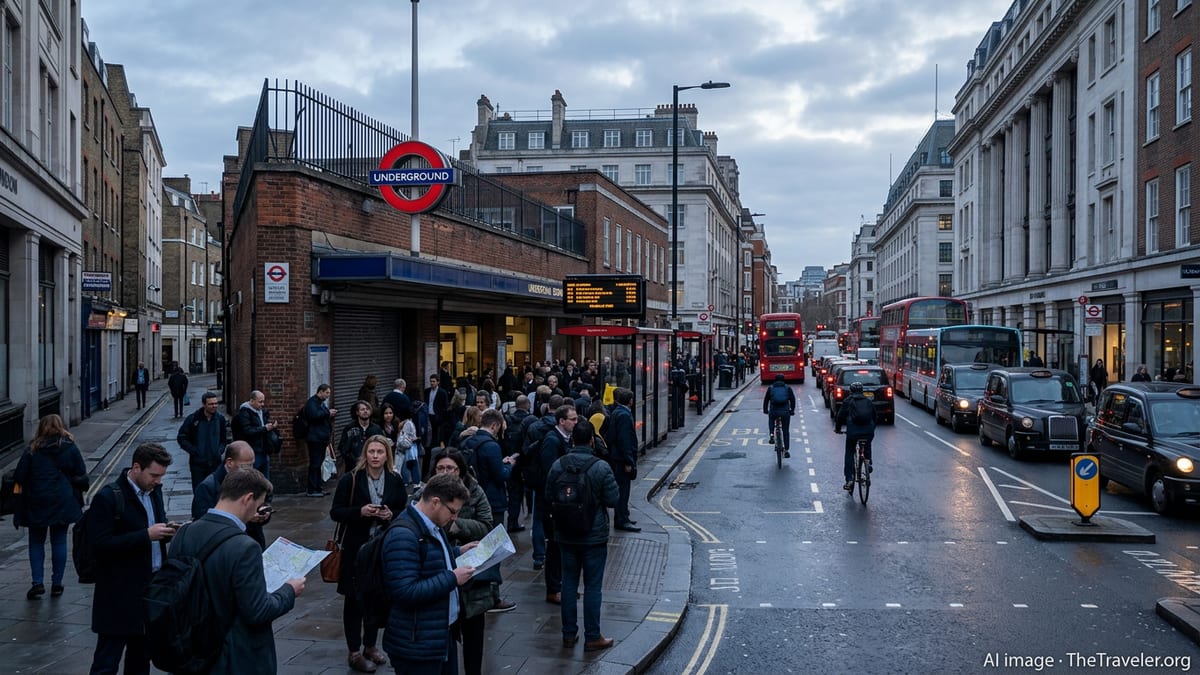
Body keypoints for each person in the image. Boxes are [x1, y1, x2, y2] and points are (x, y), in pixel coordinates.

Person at [168, 468, 303, 674]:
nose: (257, 512)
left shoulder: (184, 533)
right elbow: (258, 611)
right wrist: (288, 591)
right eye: (258, 505)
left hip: (190, 650)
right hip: (233, 657)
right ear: (248, 498)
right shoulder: (245, 547)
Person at [87, 442, 174, 675]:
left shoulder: (155, 491)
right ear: (136, 467)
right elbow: (100, 546)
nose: (158, 481)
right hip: (118, 594)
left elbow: (155, 527)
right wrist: (146, 535)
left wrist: (167, 531)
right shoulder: (108, 498)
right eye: (154, 475)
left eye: (161, 476)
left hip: (149, 590)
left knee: (140, 661)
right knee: (107, 661)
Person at [381, 473, 476, 674]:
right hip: (416, 646)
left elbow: (428, 560)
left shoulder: (431, 524)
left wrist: (457, 552)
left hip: (439, 636)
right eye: (453, 511)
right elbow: (405, 591)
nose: (455, 517)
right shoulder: (403, 536)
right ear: (435, 502)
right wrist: (452, 578)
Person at [330, 435, 407, 673]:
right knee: (354, 599)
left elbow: (402, 507)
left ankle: (370, 645)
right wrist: (360, 512)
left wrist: (390, 515)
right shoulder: (350, 479)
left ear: (387, 455)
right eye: (371, 452)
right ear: (365, 454)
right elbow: (336, 512)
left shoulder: (395, 479)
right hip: (355, 548)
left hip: (382, 547)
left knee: (375, 596)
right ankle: (354, 651)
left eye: (380, 452)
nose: (375, 456)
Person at [546, 419, 619, 652]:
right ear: (591, 440)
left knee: (568, 583)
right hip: (593, 536)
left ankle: (568, 635)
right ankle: (592, 636)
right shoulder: (601, 467)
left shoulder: (558, 465)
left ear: (572, 439)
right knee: (593, 586)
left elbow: (549, 496)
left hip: (565, 535)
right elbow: (613, 499)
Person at [430, 449, 505, 675]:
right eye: (441, 468)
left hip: (472, 576)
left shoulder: (475, 490)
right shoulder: (427, 493)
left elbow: (486, 525)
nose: (445, 473)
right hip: (440, 569)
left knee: (473, 635)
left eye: (450, 468)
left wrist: (457, 525)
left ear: (460, 470)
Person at [13, 414, 88, 600]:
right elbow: (81, 473)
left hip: (36, 500)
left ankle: (37, 583)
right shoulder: (69, 447)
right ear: (61, 426)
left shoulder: (32, 449)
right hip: (62, 500)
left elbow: (19, 476)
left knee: (36, 542)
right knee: (59, 541)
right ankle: (57, 584)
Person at [192, 441, 272, 549]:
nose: (251, 469)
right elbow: (202, 524)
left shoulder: (253, 480)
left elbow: (264, 502)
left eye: (252, 464)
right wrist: (246, 517)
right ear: (230, 462)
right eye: (245, 466)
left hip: (252, 544)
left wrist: (264, 513)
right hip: (226, 548)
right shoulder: (207, 487)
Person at [537, 404, 577, 602]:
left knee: (562, 546)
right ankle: (553, 590)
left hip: (561, 502)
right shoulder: (552, 441)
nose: (576, 422)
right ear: (562, 421)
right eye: (573, 419)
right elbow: (549, 472)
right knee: (554, 546)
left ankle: (562, 586)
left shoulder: (565, 439)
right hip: (553, 504)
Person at [177, 391, 229, 490]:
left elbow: (224, 439)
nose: (214, 406)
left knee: (216, 491)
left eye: (216, 403)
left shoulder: (220, 419)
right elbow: (182, 437)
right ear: (204, 404)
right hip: (198, 465)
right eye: (211, 404)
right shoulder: (193, 419)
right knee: (199, 491)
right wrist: (194, 451)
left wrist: (219, 451)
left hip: (215, 463)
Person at [606, 388, 641, 532]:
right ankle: (621, 520)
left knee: (623, 489)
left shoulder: (617, 412)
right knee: (623, 490)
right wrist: (629, 461)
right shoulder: (624, 415)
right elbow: (624, 440)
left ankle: (624, 516)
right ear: (630, 401)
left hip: (617, 457)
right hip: (622, 459)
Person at [834, 382, 876, 492]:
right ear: (862, 391)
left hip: (853, 432)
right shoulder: (868, 401)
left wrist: (838, 429)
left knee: (849, 452)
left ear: (850, 391)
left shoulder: (848, 401)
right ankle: (868, 462)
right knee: (867, 444)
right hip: (868, 431)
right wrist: (872, 429)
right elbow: (875, 416)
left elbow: (840, 416)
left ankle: (849, 479)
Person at [232, 390, 278, 479]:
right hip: (253, 450)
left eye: (263, 401)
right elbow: (247, 431)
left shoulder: (261, 412)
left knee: (264, 479)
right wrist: (265, 428)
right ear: (252, 401)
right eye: (260, 402)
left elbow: (262, 426)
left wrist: (271, 426)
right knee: (253, 478)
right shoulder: (244, 413)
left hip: (263, 449)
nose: (262, 404)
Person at [302, 384, 338, 497]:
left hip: (321, 438)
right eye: (327, 393)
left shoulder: (319, 403)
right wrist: (328, 413)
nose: (328, 395)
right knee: (315, 464)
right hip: (315, 438)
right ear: (320, 392)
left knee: (319, 463)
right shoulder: (312, 403)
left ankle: (317, 487)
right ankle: (312, 489)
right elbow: (314, 416)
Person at [338, 400, 383, 474]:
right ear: (357, 412)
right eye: (362, 409)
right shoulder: (349, 429)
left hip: (373, 467)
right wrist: (353, 460)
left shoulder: (376, 429)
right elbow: (343, 448)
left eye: (367, 409)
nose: (365, 411)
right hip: (353, 468)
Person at [762, 374, 796, 458]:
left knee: (771, 420)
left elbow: (766, 400)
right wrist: (792, 410)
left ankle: (771, 435)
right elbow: (792, 400)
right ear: (783, 380)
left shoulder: (771, 388)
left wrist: (765, 410)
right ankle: (787, 450)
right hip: (785, 412)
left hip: (774, 411)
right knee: (785, 430)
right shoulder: (787, 388)